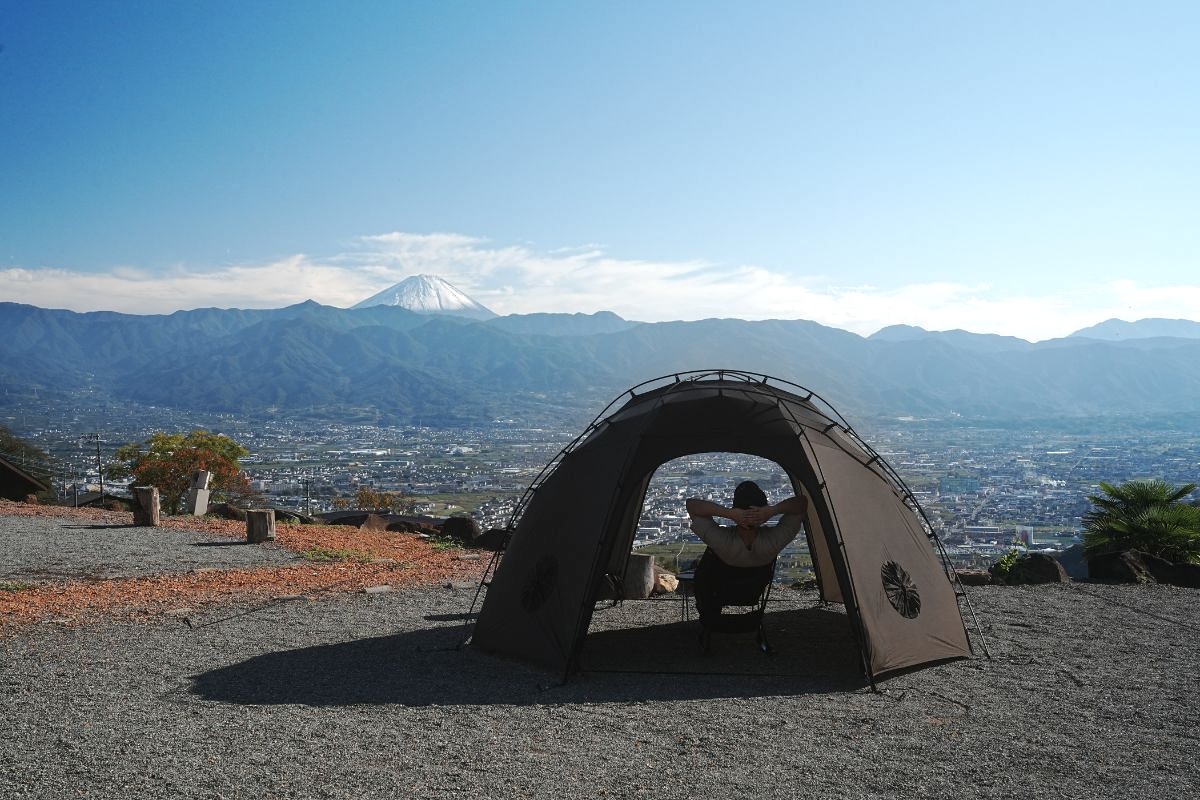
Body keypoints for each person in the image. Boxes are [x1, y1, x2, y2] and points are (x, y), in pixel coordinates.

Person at [685, 481, 808, 643]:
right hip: (751, 595)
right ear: (763, 515)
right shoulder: (774, 541)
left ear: (736, 510)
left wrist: (729, 514)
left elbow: (691, 506)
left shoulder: (721, 541)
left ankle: (710, 623)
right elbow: (801, 503)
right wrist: (772, 511)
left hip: (718, 594)